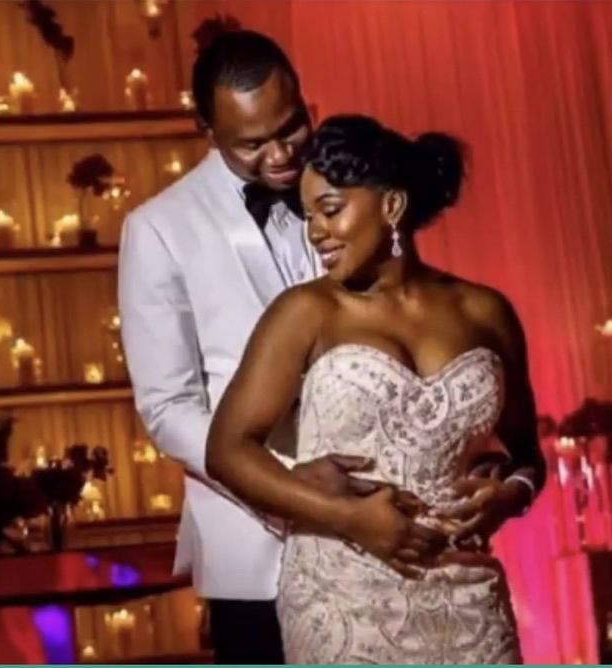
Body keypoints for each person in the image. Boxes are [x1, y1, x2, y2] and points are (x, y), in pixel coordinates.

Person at [118, 31, 446, 664]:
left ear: (305, 104)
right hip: (255, 541)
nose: (279, 154)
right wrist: (287, 483)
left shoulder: (351, 191)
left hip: (382, 515)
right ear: (205, 128)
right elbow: (167, 407)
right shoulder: (157, 230)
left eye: (291, 129)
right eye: (252, 143)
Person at [205, 114, 547, 664]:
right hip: (343, 599)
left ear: (391, 206)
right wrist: (348, 517)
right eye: (308, 214)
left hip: (468, 595)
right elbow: (226, 449)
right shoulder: (305, 312)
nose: (314, 230)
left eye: (331, 209)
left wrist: (511, 495)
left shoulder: (486, 312)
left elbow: (528, 455)